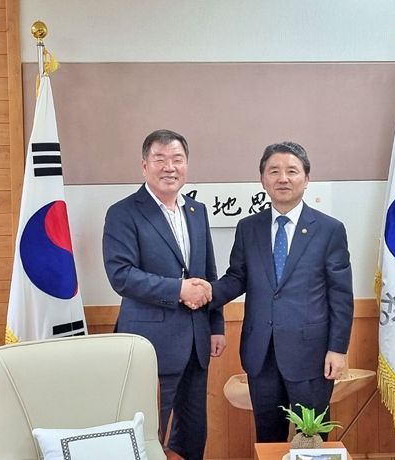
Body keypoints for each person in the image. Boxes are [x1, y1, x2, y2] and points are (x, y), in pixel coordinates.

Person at [211, 141, 354, 442]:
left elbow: (340, 296)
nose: (283, 178)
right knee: (268, 438)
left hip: (312, 356)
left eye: (292, 171)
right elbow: (237, 278)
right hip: (261, 354)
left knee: (312, 441)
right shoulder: (248, 228)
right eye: (274, 171)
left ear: (306, 178)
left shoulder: (329, 230)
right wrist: (206, 293)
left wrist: (338, 349)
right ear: (263, 179)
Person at [103, 129, 225, 460]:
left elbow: (209, 273)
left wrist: (216, 326)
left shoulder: (197, 211)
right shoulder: (123, 212)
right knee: (147, 435)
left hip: (197, 343)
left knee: (193, 433)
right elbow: (121, 275)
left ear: (187, 165)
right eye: (160, 159)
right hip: (150, 344)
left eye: (177, 159)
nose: (169, 167)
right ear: (145, 165)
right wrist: (178, 289)